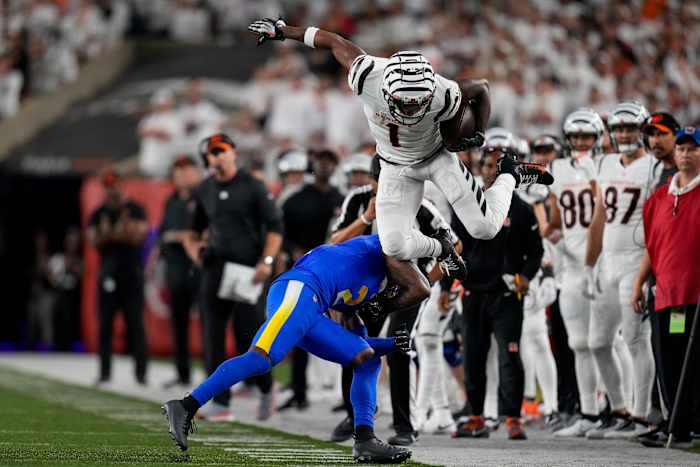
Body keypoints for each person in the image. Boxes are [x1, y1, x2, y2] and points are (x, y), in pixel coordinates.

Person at [247, 18, 551, 283]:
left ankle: (509, 174)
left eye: (418, 102)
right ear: (388, 91)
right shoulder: (368, 76)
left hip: (436, 157)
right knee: (394, 245)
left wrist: (479, 133)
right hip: (394, 164)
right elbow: (334, 41)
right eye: (406, 102)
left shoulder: (442, 91)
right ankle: (442, 246)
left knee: (484, 228)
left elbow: (481, 88)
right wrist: (284, 31)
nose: (412, 107)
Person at [163, 234, 430, 464]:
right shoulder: (378, 247)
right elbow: (413, 276)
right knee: (260, 359)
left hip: (310, 307)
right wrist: (439, 246)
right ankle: (186, 405)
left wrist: (392, 343)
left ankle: (365, 440)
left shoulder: (366, 290)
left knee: (366, 361)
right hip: (299, 290)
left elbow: (359, 347)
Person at [329, 155, 457, 446]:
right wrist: (366, 218)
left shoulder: (419, 204)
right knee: (356, 347)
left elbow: (454, 245)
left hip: (406, 288)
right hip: (369, 287)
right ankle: (355, 415)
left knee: (399, 344)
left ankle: (405, 424)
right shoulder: (359, 201)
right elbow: (334, 243)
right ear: (374, 182)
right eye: (382, 184)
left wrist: (429, 280)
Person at [183, 133, 281, 421]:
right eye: (211, 154)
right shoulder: (205, 189)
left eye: (220, 151)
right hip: (215, 269)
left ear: (233, 152)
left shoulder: (252, 186)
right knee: (212, 337)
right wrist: (195, 253)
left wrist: (266, 261)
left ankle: (265, 387)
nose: (216, 157)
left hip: (247, 270)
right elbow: (192, 232)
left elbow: (275, 227)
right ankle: (220, 404)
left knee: (249, 338)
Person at [452, 136, 544, 441]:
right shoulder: (468, 204)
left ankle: (513, 418)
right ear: (479, 169)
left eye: (497, 166)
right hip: (474, 292)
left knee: (509, 355)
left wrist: (526, 277)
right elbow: (454, 248)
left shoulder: (521, 210)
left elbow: (536, 251)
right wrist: (445, 288)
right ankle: (476, 416)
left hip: (506, 295)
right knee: (474, 357)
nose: (491, 171)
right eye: (487, 165)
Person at [582, 101, 659, 439]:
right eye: (620, 129)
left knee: (636, 338)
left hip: (636, 259)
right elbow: (599, 215)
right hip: (608, 260)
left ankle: (642, 416)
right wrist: (590, 263)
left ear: (642, 131)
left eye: (630, 128)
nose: (624, 134)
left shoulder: (655, 167)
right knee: (598, 341)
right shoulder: (606, 162)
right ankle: (620, 409)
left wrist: (649, 271)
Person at [631, 127, 700, 448]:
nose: (686, 154)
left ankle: (691, 424)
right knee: (669, 365)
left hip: (696, 295)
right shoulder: (659, 197)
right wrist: (638, 283)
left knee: (694, 364)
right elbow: (652, 246)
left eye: (693, 149)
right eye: (682, 149)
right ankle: (677, 424)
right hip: (666, 294)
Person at [541, 109, 606, 438]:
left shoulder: (606, 166)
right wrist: (555, 239)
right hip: (572, 268)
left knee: (608, 342)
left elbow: (608, 212)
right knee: (579, 343)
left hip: (602, 263)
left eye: (587, 137)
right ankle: (589, 412)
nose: (581, 143)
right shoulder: (558, 169)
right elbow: (554, 221)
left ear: (597, 139)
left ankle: (620, 410)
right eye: (576, 137)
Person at [278, 149, 344, 411]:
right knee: (299, 328)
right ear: (312, 166)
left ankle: (341, 391)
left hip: (336, 272)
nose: (325, 167)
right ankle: (299, 390)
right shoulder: (295, 201)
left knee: (341, 328)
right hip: (304, 270)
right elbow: (279, 232)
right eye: (320, 162)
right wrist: (292, 250)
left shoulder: (342, 198)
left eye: (330, 163)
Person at [86, 170, 149, 385]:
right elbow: (94, 241)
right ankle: (105, 373)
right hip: (108, 275)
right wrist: (119, 232)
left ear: (122, 185)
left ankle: (141, 374)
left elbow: (138, 237)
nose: (112, 188)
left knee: (136, 325)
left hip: (131, 275)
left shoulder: (136, 209)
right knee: (105, 325)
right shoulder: (98, 212)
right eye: (108, 185)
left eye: (115, 184)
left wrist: (111, 233)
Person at [155, 156, 202, 388]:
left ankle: (213, 374)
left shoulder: (204, 197)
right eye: (178, 171)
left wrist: (189, 237)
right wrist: (178, 236)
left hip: (200, 268)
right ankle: (182, 373)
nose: (182, 175)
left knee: (208, 323)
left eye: (187, 170)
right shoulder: (171, 201)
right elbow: (163, 233)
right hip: (176, 267)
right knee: (178, 323)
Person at [642, 112, 681, 190]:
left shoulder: (691, 170)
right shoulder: (652, 171)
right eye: (651, 135)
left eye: (662, 134)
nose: (656, 141)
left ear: (676, 136)